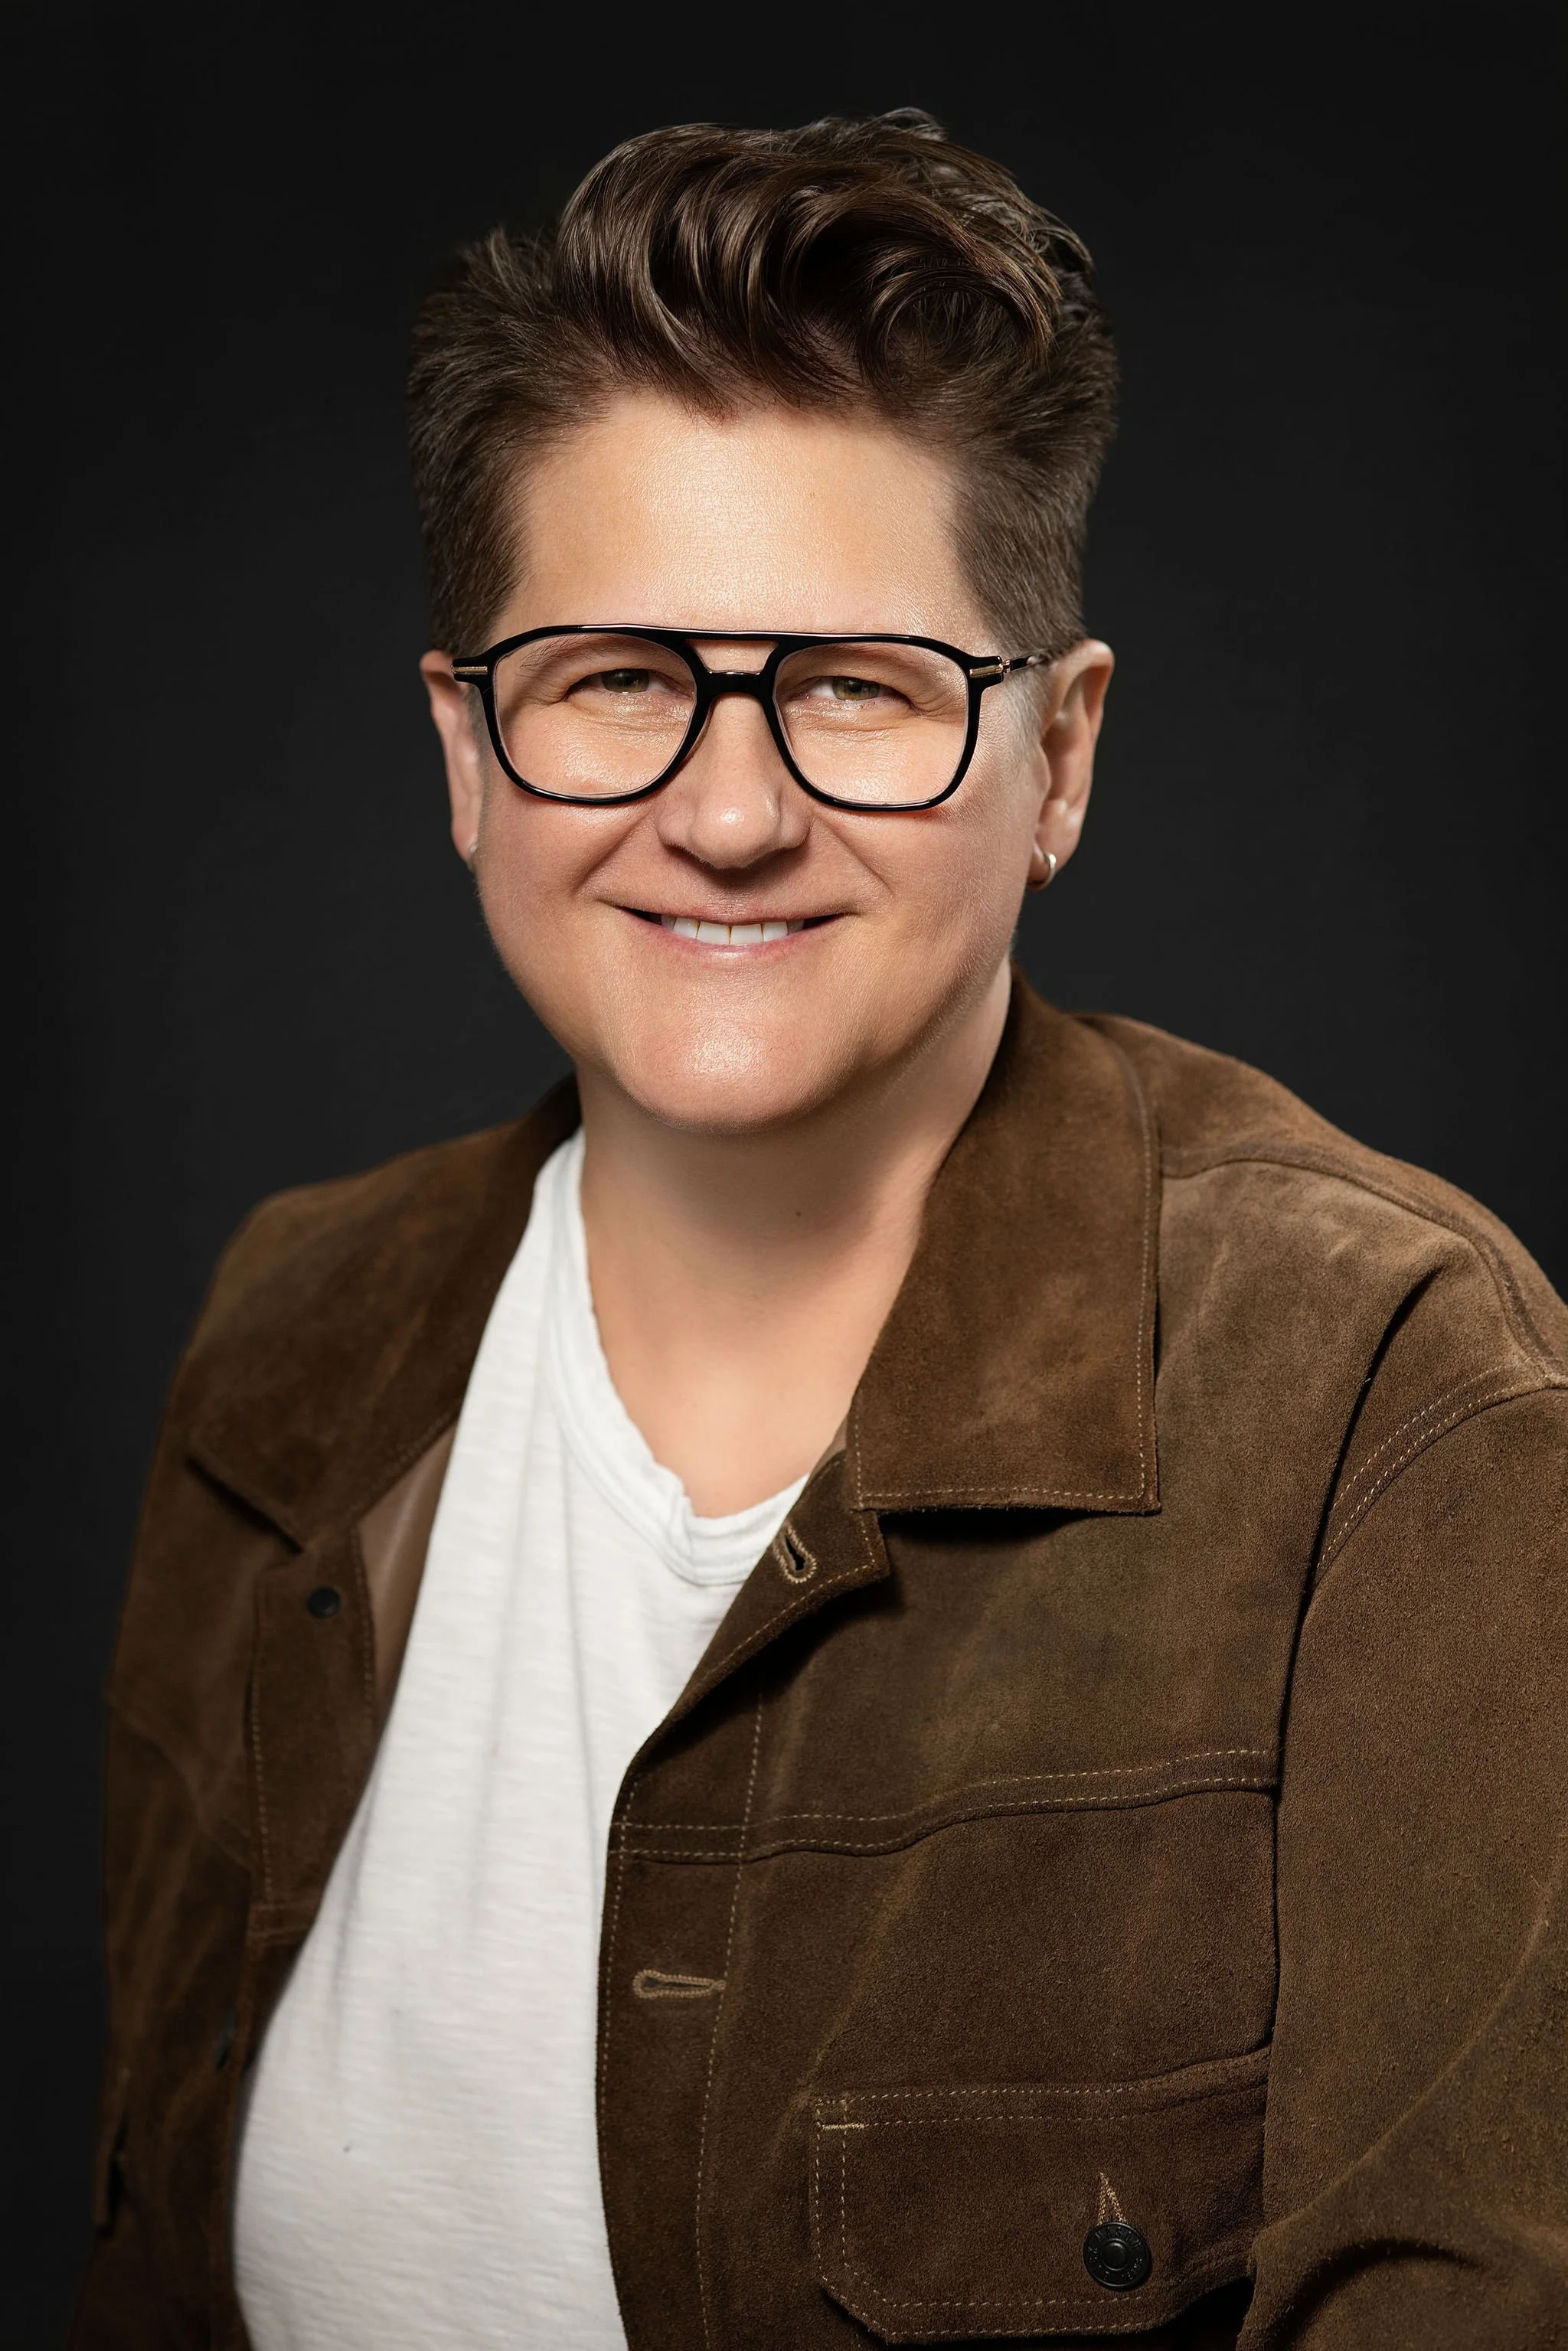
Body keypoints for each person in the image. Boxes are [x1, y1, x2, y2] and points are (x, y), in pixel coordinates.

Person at [74, 110, 1567, 2351]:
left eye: (858, 686)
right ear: (468, 748)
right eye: (617, 680)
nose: (736, 811)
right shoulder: (291, 1339)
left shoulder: (1399, 1402)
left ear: (1059, 759)